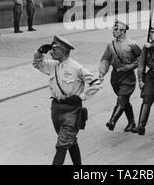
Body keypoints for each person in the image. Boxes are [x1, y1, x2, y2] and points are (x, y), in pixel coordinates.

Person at [33, 36, 102, 165]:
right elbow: (37, 64)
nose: (51, 52)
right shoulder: (53, 66)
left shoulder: (76, 67)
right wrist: (39, 51)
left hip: (72, 111)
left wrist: (80, 97)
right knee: (69, 141)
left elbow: (96, 83)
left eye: (54, 49)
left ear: (63, 51)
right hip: (56, 109)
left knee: (62, 145)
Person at [99, 20, 142, 132]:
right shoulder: (111, 45)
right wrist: (102, 72)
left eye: (116, 29)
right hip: (115, 77)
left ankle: (112, 120)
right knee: (124, 100)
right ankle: (132, 122)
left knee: (121, 98)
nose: (113, 31)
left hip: (128, 77)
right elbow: (105, 59)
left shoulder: (132, 44)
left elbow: (140, 59)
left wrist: (129, 67)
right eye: (114, 28)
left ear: (123, 31)